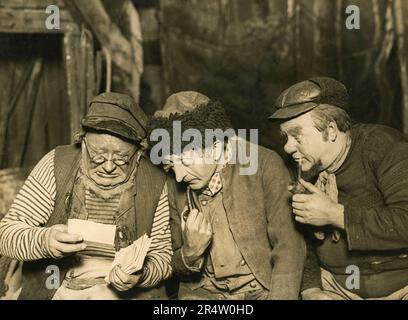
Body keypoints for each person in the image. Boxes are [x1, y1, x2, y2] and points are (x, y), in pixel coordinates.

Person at [0, 92, 173, 300]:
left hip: (123, 292)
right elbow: (7, 234)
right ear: (82, 144)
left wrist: (141, 274)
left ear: (138, 155)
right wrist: (44, 241)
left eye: (121, 159)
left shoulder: (154, 180)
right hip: (57, 283)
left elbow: (163, 256)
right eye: (97, 156)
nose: (108, 167)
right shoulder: (57, 164)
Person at [148, 91, 305, 300]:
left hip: (262, 290)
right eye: (170, 165)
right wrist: (189, 253)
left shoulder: (263, 164)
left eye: (185, 161)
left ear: (215, 147)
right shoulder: (174, 184)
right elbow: (171, 261)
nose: (178, 177)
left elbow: (289, 246)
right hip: (203, 294)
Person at [269, 77, 408, 300]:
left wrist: (335, 214)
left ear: (331, 130)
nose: (287, 147)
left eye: (296, 135)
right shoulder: (301, 169)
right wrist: (311, 289)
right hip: (334, 288)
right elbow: (296, 243)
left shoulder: (385, 148)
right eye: (285, 137)